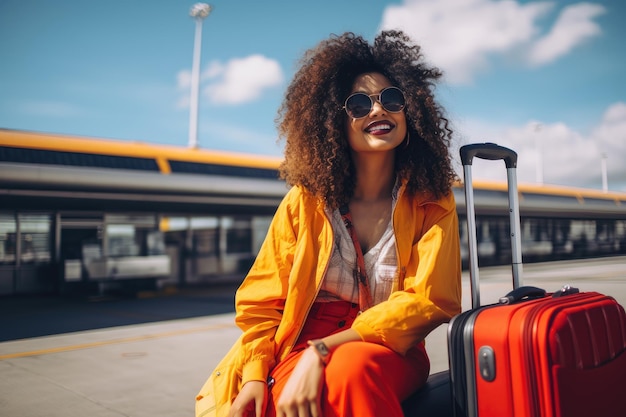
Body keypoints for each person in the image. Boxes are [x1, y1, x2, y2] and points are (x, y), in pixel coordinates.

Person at [195, 30, 461, 417]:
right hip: (299, 344)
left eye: (391, 99)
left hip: (385, 346)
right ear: (332, 122)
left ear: (411, 111)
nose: (377, 111)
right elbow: (261, 301)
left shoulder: (432, 198)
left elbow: (432, 298)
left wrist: (326, 349)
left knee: (352, 372)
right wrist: (254, 375)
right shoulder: (303, 201)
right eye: (358, 104)